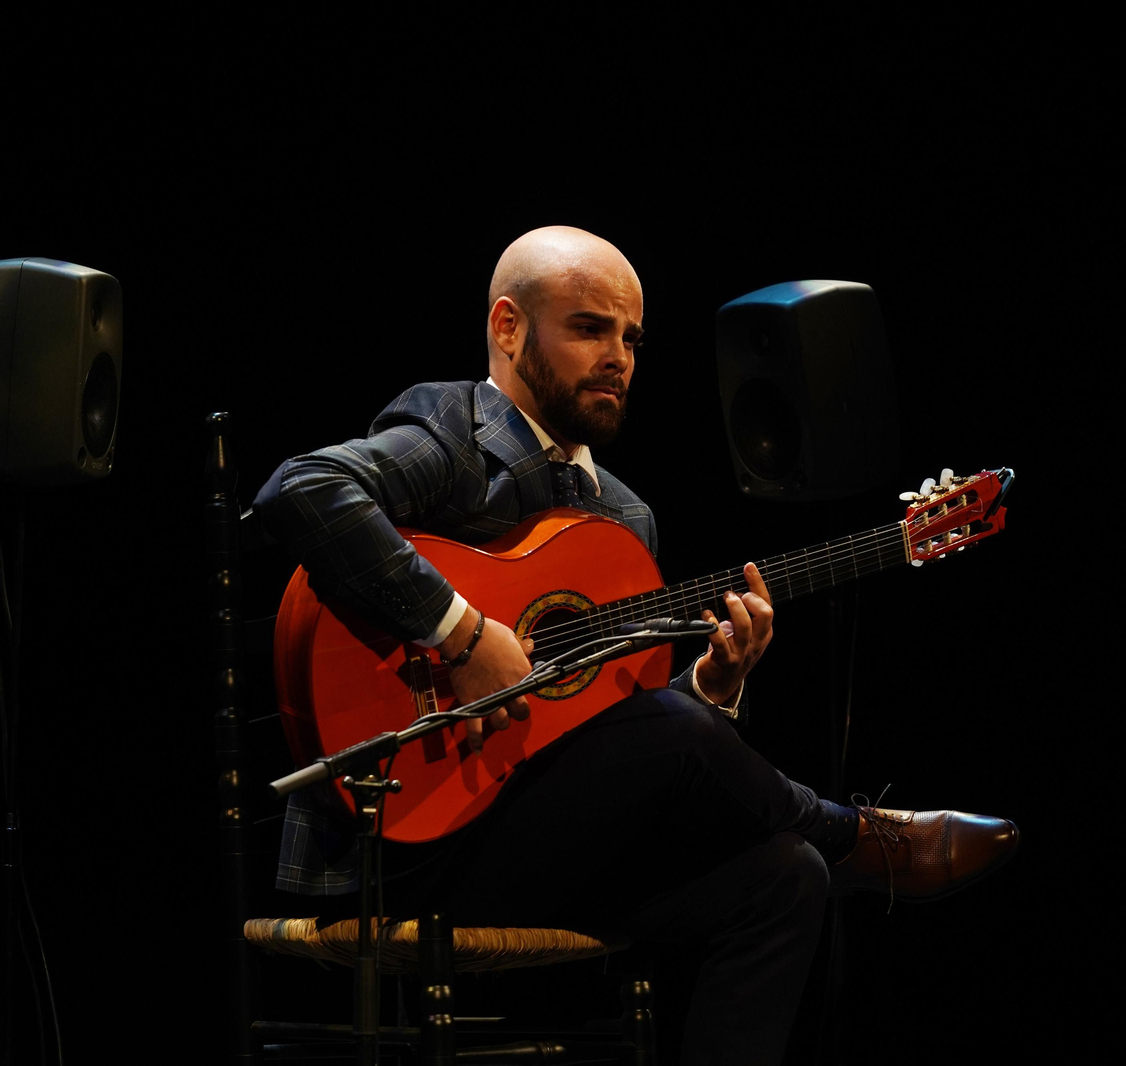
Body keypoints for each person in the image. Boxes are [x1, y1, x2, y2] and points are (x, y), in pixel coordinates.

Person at [253, 226, 1018, 1064]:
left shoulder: (625, 517)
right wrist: (465, 634)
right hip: (401, 840)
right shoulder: (453, 434)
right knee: (695, 746)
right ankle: (863, 837)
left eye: (631, 337)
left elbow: (614, 730)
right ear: (508, 328)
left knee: (786, 877)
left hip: (541, 841)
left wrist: (714, 685)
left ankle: (832, 843)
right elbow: (304, 487)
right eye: (590, 328)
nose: (619, 356)